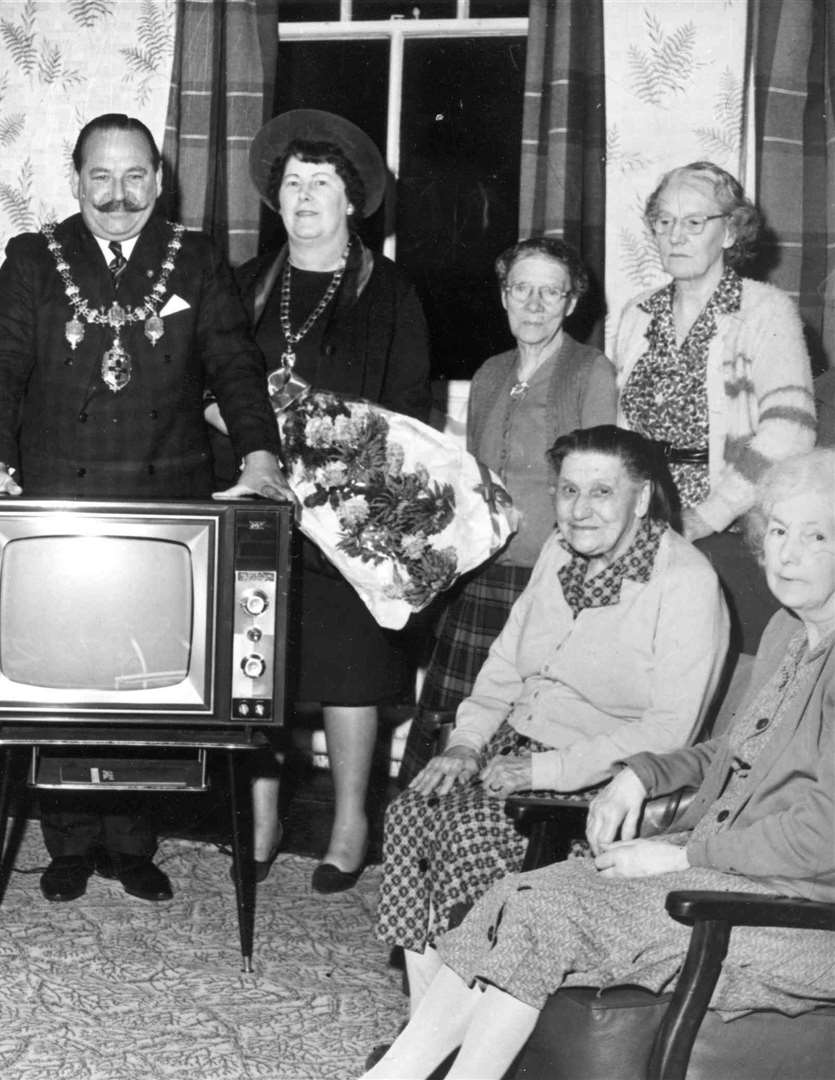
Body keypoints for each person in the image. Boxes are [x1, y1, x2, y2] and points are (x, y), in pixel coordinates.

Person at [365, 447, 835, 1080]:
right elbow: (728, 752)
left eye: (817, 535)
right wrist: (642, 772)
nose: (788, 553)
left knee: (544, 911)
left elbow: (823, 838)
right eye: (778, 531)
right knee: (511, 897)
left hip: (798, 915)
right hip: (735, 875)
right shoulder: (788, 630)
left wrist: (684, 856)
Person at [0, 113, 294, 906]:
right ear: (76, 178)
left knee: (144, 678)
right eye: (100, 177)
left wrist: (258, 454)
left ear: (158, 178)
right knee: (67, 678)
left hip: (162, 499)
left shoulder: (198, 257)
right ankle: (68, 843)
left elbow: (234, 364)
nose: (118, 195)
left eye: (135, 176)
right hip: (57, 502)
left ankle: (135, 842)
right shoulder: (33, 258)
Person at [375, 425, 730, 1018]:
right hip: (516, 748)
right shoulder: (558, 554)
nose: (580, 510)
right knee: (414, 811)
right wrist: (466, 744)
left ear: (641, 499)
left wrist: (544, 768)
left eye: (601, 492)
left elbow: (671, 730)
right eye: (568, 491)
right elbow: (505, 665)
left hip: (601, 777)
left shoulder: (686, 581)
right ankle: (427, 1025)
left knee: (467, 838)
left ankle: (474, 1026)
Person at [220, 109, 431, 893]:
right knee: (258, 662)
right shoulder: (243, 285)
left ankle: (349, 823)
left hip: (350, 511)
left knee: (349, 670)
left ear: (352, 200)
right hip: (262, 498)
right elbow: (210, 383)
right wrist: (249, 436)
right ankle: (263, 819)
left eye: (321, 183)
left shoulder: (390, 293)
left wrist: (328, 449)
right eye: (292, 183)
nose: (304, 196)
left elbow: (406, 409)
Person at [613, 161, 815, 653]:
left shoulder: (764, 310)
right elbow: (619, 430)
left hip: (731, 529)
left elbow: (791, 431)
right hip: (643, 526)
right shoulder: (636, 314)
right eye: (663, 221)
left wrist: (708, 515)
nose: (675, 235)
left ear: (729, 232)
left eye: (694, 222)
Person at [420, 238, 617, 714]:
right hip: (484, 576)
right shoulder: (490, 372)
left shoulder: (591, 370)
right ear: (504, 295)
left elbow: (598, 485)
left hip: (554, 578)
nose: (533, 304)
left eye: (551, 292)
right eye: (521, 288)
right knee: (461, 724)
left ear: (571, 303)